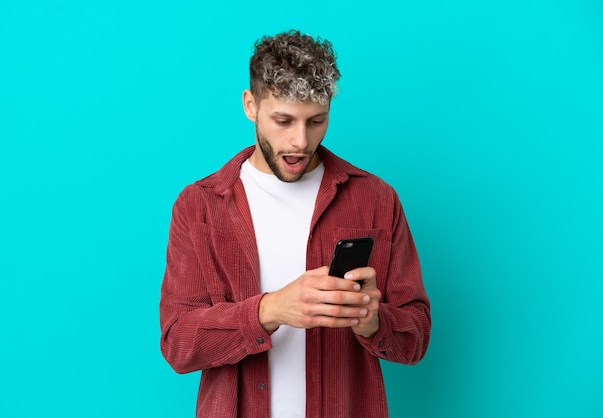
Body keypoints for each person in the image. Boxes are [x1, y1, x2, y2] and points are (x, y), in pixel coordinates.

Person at [159, 30, 431, 418]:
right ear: (250, 105)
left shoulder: (375, 199)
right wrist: (270, 310)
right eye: (283, 120)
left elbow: (415, 338)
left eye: (316, 121)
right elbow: (178, 345)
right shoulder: (199, 206)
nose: (300, 141)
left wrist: (372, 320)